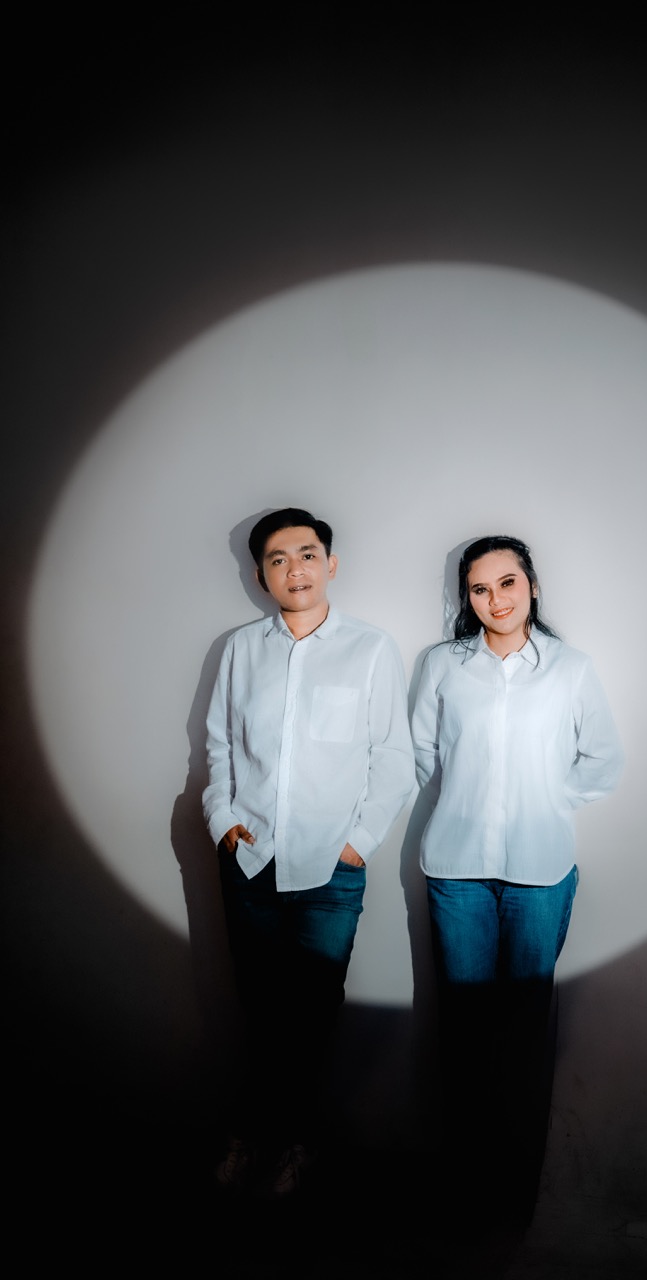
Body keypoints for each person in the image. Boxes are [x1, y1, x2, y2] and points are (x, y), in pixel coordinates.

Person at [411, 534, 623, 1224]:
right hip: (457, 872)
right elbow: (419, 753)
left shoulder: (570, 669)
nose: (495, 599)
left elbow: (603, 760)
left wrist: (545, 803)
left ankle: (514, 1197)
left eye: (507, 583)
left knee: (525, 1033)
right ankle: (466, 1189)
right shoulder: (442, 664)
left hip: (540, 873)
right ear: (466, 598)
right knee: (465, 1030)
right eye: (479, 588)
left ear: (531, 585)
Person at [203, 507, 414, 1198]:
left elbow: (393, 759)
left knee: (313, 1017)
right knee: (259, 1012)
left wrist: (357, 845)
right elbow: (219, 744)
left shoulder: (371, 649)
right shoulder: (240, 649)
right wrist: (222, 821)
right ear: (260, 574)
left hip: (330, 870)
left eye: (306, 554)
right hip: (250, 862)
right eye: (277, 559)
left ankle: (296, 1146)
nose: (294, 569)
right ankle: (251, 1137)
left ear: (330, 563)